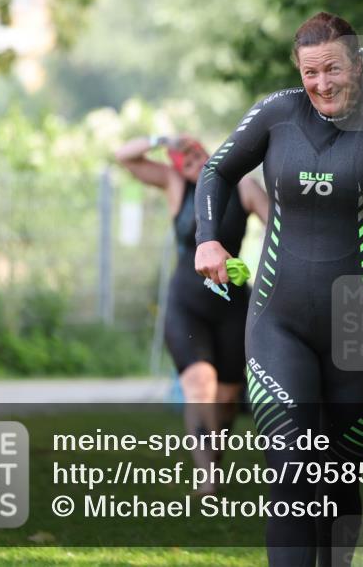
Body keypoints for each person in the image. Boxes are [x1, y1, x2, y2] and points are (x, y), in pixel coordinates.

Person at [194, 12, 363, 567]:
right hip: (279, 319)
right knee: (293, 472)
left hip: (362, 323)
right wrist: (207, 240)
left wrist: (359, 63)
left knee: (338, 480)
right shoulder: (278, 114)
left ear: (360, 67)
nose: (321, 85)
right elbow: (215, 172)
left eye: (334, 70)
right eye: (310, 73)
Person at [115, 133, 268, 490]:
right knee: (200, 384)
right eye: (184, 159)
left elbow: (281, 228)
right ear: (177, 168)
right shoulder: (174, 186)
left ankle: (213, 459)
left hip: (233, 306)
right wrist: (161, 139)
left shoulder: (243, 186)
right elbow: (125, 157)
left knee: (227, 397)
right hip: (187, 305)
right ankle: (207, 476)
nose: (194, 161)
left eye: (197, 153)